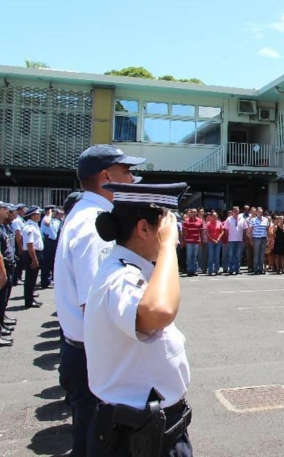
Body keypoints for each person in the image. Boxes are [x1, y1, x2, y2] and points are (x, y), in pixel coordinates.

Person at [85, 181, 193, 456]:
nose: (175, 235)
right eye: (167, 226)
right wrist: (168, 246)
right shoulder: (121, 276)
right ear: (144, 228)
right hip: (138, 435)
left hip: (149, 428)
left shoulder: (134, 270)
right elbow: (159, 312)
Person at [54, 144, 145, 456]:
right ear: (107, 177)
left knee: (91, 436)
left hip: (84, 352)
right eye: (127, 172)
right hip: (96, 356)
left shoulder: (86, 215)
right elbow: (96, 306)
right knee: (98, 442)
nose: (133, 179)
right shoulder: (95, 226)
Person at [21, 205, 44, 308]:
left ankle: (31, 298)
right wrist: (34, 260)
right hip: (32, 254)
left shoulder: (34, 225)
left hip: (36, 254)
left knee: (33, 278)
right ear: (32, 215)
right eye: (38, 214)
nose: (39, 216)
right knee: (30, 279)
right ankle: (28, 301)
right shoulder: (29, 227)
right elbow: (30, 245)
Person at [0, 201, 16, 347]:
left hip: (7, 266)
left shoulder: (3, 227)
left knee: (3, 300)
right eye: (4, 208)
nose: (8, 211)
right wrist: (3, 272)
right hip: (2, 268)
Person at [40, 205, 61, 289]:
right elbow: (47, 223)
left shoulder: (53, 219)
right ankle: (45, 282)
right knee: (46, 264)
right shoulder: (46, 218)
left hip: (53, 242)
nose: (54, 213)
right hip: (48, 242)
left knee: (51, 262)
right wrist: (49, 214)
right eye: (53, 211)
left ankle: (49, 280)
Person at [181, 209, 203, 277]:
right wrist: (183, 241)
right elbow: (184, 232)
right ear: (190, 213)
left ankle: (194, 270)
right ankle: (189, 270)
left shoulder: (200, 220)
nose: (194, 213)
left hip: (196, 241)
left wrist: (200, 240)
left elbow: (201, 232)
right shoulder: (186, 221)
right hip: (189, 241)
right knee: (189, 256)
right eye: (193, 212)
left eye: (195, 212)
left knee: (194, 256)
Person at [223, 206, 244, 275]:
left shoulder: (242, 219)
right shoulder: (229, 219)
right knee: (231, 255)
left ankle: (237, 269)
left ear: (239, 211)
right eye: (234, 211)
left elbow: (245, 229)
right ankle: (231, 269)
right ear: (232, 212)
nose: (236, 212)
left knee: (238, 255)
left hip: (239, 240)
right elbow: (225, 230)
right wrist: (226, 238)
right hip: (231, 240)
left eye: (237, 211)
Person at [248, 207, 269, 275]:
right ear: (256, 212)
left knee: (262, 255)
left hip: (263, 238)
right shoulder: (253, 220)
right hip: (256, 238)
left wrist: (267, 238)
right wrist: (251, 240)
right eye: (259, 212)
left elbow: (267, 229)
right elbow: (250, 231)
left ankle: (261, 269)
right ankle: (255, 269)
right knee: (256, 255)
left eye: (261, 212)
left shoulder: (265, 219)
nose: (260, 213)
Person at [205, 211, 224, 276]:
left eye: (215, 216)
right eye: (213, 216)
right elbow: (207, 233)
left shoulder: (220, 223)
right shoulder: (208, 223)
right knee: (211, 256)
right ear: (211, 217)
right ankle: (210, 270)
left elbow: (222, 232)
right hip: (210, 242)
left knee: (217, 256)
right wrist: (213, 240)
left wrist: (218, 238)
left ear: (217, 216)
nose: (214, 217)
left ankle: (216, 270)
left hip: (218, 241)